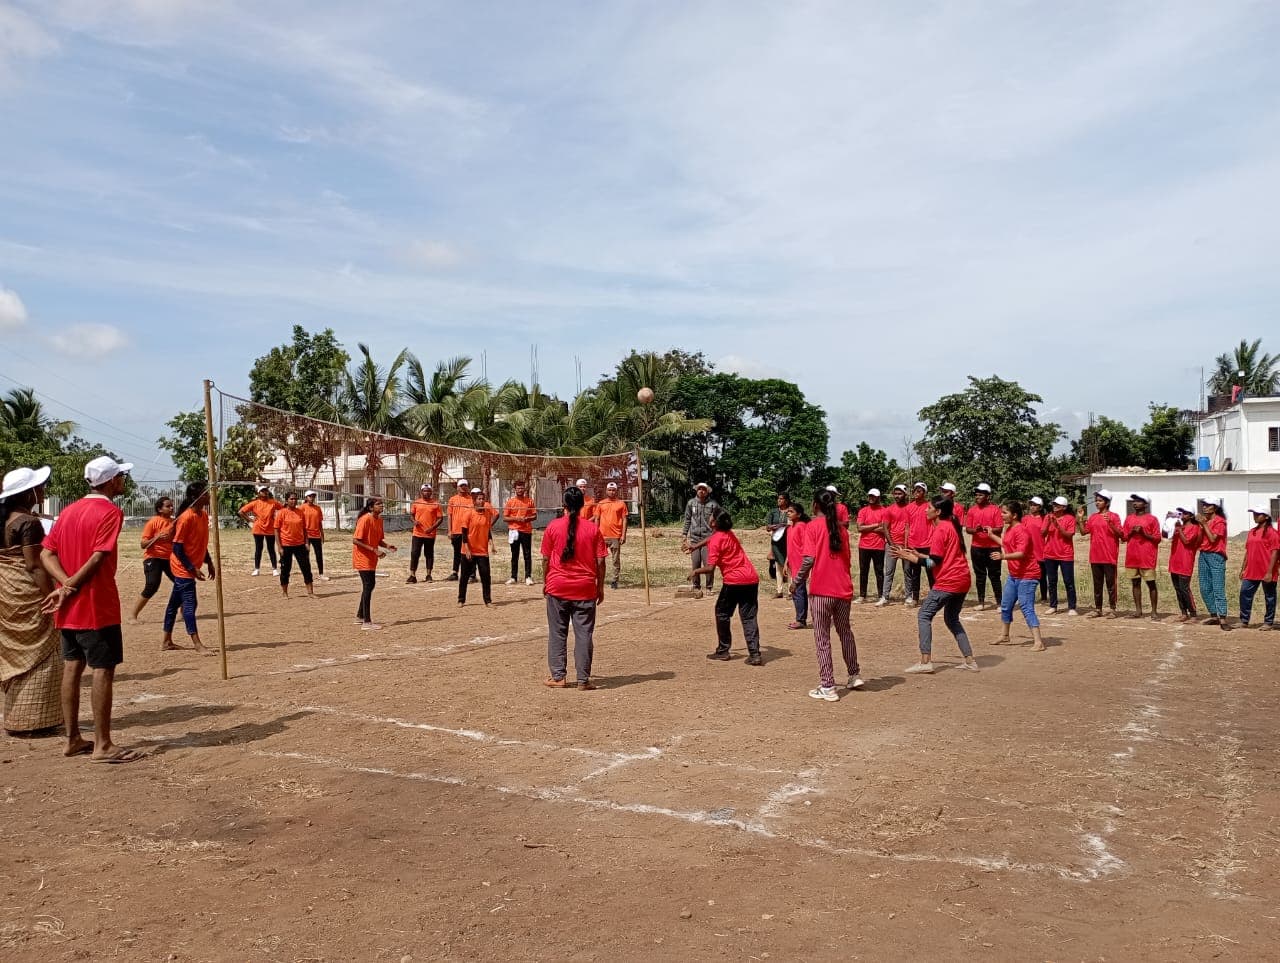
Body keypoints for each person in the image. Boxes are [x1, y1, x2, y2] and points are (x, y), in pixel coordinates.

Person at [40, 455, 141, 762]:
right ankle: (103, 744)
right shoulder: (109, 511)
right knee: (102, 669)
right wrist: (70, 586)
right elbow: (98, 557)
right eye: (120, 476)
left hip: (68, 607)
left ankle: (72, 739)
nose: (123, 480)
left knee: (72, 667)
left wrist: (63, 586)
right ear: (111, 481)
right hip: (96, 604)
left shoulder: (68, 511)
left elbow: (47, 554)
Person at [0, 465, 62, 736]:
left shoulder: (7, 519)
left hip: (7, 590)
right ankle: (35, 720)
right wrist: (50, 593)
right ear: (28, 493)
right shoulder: (28, 524)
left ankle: (16, 717)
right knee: (43, 651)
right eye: (39, 486)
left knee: (17, 650)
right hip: (27, 590)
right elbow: (33, 565)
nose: (43, 490)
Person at [891, 497, 980, 674]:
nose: (926, 510)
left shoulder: (941, 529)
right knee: (952, 619)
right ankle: (970, 660)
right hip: (962, 579)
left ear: (938, 512)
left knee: (924, 615)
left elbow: (934, 563)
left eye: (929, 508)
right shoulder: (950, 527)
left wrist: (909, 557)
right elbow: (942, 557)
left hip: (949, 581)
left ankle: (925, 661)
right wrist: (920, 555)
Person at [793, 489, 862, 701]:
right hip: (842, 589)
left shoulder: (812, 527)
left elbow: (808, 560)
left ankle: (828, 685)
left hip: (821, 591)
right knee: (845, 632)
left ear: (815, 505)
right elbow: (848, 561)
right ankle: (854, 674)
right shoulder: (841, 530)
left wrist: (796, 582)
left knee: (822, 638)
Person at [541, 486, 607, 690]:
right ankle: (583, 680)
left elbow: (545, 559)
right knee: (584, 634)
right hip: (585, 589)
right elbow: (601, 562)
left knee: (557, 633)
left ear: (564, 505)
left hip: (557, 587)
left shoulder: (552, 527)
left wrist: (546, 582)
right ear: (582, 506)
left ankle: (558, 676)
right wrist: (600, 586)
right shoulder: (592, 529)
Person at [690, 512, 764, 666]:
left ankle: (723, 650)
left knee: (722, 612)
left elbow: (710, 568)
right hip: (751, 578)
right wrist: (696, 546)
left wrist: (695, 571)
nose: (709, 517)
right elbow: (713, 538)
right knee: (749, 617)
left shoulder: (717, 539)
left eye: (711, 516)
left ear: (713, 523)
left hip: (734, 581)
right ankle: (755, 654)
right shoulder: (728, 533)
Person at [162, 482, 216, 653]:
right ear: (196, 497)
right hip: (181, 566)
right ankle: (197, 644)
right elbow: (177, 547)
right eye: (205, 494)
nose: (209, 496)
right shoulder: (186, 517)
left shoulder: (203, 515)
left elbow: (201, 541)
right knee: (190, 604)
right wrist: (192, 568)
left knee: (174, 604)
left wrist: (209, 561)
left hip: (191, 565)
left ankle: (166, 641)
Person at [992, 501, 1045, 651]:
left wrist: (1003, 557)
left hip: (1028, 575)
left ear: (1014, 515)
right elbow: (1006, 543)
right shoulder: (1010, 529)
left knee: (1026, 606)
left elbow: (1021, 553)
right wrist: (991, 535)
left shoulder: (1021, 530)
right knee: (1006, 605)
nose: (1002, 515)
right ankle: (1005, 635)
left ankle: (1038, 642)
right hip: (1015, 575)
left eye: (1005, 513)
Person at [353, 498, 396, 630]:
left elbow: (377, 539)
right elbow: (355, 540)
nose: (381, 505)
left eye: (381, 504)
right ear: (371, 507)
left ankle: (360, 616)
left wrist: (387, 546)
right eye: (378, 504)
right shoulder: (365, 519)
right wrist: (374, 550)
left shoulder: (379, 520)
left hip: (371, 558)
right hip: (362, 557)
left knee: (369, 586)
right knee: (368, 585)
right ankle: (367, 622)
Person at [131, 496, 174, 621]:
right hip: (153, 558)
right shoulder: (153, 522)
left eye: (172, 506)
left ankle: (184, 613)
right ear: (160, 509)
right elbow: (143, 544)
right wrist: (156, 538)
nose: (171, 508)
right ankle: (133, 615)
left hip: (169, 558)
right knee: (152, 585)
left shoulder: (174, 522)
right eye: (168, 506)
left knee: (181, 583)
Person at [1084, 489, 1123, 618]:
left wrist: (1110, 523)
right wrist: (1079, 519)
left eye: (1100, 500)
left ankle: (1112, 608)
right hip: (1095, 556)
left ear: (1106, 503)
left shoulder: (1114, 516)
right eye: (1096, 500)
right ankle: (1098, 609)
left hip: (1109, 556)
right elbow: (1084, 532)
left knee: (1111, 583)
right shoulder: (1093, 517)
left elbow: (1121, 534)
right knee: (1097, 583)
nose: (1097, 503)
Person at [1122, 492, 1162, 619]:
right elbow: (1124, 537)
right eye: (1134, 501)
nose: (1135, 503)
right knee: (1135, 583)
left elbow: (1157, 538)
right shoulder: (1129, 518)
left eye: (1139, 501)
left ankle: (1154, 611)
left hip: (1147, 557)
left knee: (1151, 583)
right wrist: (1131, 532)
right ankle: (1138, 610)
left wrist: (1144, 533)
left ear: (1145, 504)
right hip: (1132, 556)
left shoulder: (1152, 519)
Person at [1239, 506, 1279, 630]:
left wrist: (1269, 572)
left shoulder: (1272, 533)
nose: (1255, 516)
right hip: (1251, 570)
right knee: (1244, 593)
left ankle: (1268, 622)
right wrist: (1243, 568)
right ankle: (1244, 621)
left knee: (1270, 596)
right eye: (1254, 514)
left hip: (1266, 570)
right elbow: (1248, 551)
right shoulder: (1252, 532)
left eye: (1258, 514)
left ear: (1266, 516)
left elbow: (1275, 552)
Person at [965, 483, 1003, 610]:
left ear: (987, 496)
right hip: (977, 547)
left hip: (993, 547)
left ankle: (999, 602)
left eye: (980, 495)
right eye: (976, 495)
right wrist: (975, 530)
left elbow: (1000, 528)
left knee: (994, 575)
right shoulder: (972, 510)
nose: (977, 497)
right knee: (980, 576)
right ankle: (981, 602)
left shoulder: (995, 509)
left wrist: (990, 530)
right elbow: (968, 529)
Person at [459, 488, 498, 606]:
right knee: (465, 576)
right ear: (474, 501)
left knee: (486, 576)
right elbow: (464, 533)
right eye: (479, 499)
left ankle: (488, 600)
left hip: (482, 551)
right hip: (468, 550)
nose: (482, 501)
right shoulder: (468, 513)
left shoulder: (487, 513)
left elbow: (487, 531)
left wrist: (492, 544)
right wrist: (467, 549)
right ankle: (461, 599)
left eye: (483, 499)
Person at [681, 482, 720, 597]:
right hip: (694, 539)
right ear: (696, 491)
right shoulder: (691, 503)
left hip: (708, 538)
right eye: (699, 489)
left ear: (707, 491)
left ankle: (709, 587)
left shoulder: (713, 505)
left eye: (704, 489)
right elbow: (687, 519)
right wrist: (684, 535)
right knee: (695, 563)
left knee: (708, 563)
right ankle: (696, 586)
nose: (701, 491)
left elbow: (717, 521)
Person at [1042, 496, 1079, 616]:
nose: (1054, 506)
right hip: (1050, 554)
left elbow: (1069, 535)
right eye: (1054, 504)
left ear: (1064, 507)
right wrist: (1048, 523)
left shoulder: (1070, 519)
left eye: (1057, 505)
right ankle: (1053, 605)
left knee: (1068, 581)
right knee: (1051, 581)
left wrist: (1057, 525)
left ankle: (1072, 606)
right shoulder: (1048, 517)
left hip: (1065, 554)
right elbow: (1042, 534)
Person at [274, 491, 314, 599]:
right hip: (286, 545)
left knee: (306, 568)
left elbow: (305, 529)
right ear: (286, 500)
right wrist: (279, 547)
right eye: (291, 499)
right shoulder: (281, 513)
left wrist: (306, 542)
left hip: (300, 545)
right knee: (285, 569)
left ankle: (310, 592)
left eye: (295, 499)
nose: (294, 501)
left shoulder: (300, 512)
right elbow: (276, 530)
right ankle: (285, 592)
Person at [1197, 497, 1230, 630]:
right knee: (1204, 587)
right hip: (1204, 554)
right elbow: (1200, 540)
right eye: (1204, 505)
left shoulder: (1220, 522)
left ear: (1215, 508)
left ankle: (1222, 617)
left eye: (1208, 505)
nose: (1204, 507)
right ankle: (1214, 614)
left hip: (1216, 555)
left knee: (1218, 587)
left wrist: (1204, 525)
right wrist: (1201, 526)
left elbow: (1212, 539)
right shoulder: (1206, 521)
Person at [877, 484, 910, 606]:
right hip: (892, 545)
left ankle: (909, 596)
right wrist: (892, 545)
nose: (897, 496)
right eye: (895, 493)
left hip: (907, 545)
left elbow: (909, 527)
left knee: (908, 571)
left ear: (905, 494)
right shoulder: (889, 509)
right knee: (889, 571)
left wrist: (906, 545)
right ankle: (885, 596)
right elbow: (885, 528)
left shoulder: (910, 508)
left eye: (900, 493)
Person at [1168, 507, 1202, 622]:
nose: (1182, 515)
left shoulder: (1195, 528)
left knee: (1184, 588)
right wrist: (1168, 521)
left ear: (1191, 516)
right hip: (1174, 561)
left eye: (1185, 513)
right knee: (1178, 589)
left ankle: (1193, 613)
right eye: (1181, 513)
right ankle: (1183, 612)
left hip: (1185, 562)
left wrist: (1179, 529)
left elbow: (1187, 541)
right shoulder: (1179, 526)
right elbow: (1165, 534)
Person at [854, 488, 887, 603]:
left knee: (879, 571)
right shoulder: (863, 511)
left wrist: (867, 527)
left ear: (878, 497)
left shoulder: (884, 511)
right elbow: (859, 528)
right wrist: (876, 525)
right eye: (870, 496)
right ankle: (862, 596)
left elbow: (885, 528)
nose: (871, 498)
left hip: (879, 546)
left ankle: (881, 595)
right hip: (864, 546)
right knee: (863, 571)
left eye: (874, 496)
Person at [501, 480, 537, 586]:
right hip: (514, 530)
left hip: (526, 531)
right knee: (514, 554)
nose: (520, 490)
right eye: (518, 488)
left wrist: (527, 518)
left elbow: (535, 516)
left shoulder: (529, 501)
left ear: (524, 489)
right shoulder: (510, 502)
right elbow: (505, 517)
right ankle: (513, 577)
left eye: (522, 488)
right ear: (515, 489)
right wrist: (516, 519)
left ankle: (528, 576)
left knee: (527, 554)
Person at [239, 485, 280, 576]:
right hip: (258, 529)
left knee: (271, 549)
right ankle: (257, 569)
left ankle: (274, 569)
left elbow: (283, 509)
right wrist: (250, 520)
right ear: (259, 493)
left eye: (266, 490)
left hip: (270, 529)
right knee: (259, 549)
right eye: (263, 491)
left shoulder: (273, 502)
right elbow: (241, 512)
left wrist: (278, 520)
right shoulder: (255, 503)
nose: (265, 492)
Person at [902, 482, 932, 607]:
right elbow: (907, 527)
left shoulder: (930, 506)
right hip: (913, 544)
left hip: (928, 543)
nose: (916, 492)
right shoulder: (909, 507)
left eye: (919, 491)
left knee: (931, 571)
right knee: (915, 573)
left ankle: (934, 597)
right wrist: (905, 545)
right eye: (915, 490)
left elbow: (935, 524)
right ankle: (915, 598)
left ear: (924, 493)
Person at [594, 482, 628, 589]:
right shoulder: (601, 503)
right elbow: (597, 519)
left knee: (615, 560)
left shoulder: (621, 504)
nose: (611, 492)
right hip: (602, 536)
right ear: (606, 490)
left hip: (615, 536)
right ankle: (598, 579)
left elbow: (624, 520)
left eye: (613, 490)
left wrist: (623, 535)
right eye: (609, 490)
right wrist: (595, 533)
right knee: (599, 559)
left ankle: (614, 580)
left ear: (616, 491)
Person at [785, 502, 813, 629]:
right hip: (793, 564)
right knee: (797, 591)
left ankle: (801, 619)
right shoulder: (790, 528)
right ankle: (800, 618)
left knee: (798, 591)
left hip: (800, 564)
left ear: (799, 514)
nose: (788, 513)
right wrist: (786, 562)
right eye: (788, 511)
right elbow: (791, 547)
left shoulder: (802, 526)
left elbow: (806, 546)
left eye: (791, 511)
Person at [407, 483, 443, 584]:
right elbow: (411, 515)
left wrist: (432, 528)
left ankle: (428, 575)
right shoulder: (416, 502)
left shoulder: (436, 504)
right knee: (414, 553)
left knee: (429, 554)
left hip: (430, 534)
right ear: (421, 492)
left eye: (428, 491)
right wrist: (414, 521)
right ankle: (412, 575)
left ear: (431, 492)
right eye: (424, 491)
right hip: (417, 533)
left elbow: (440, 518)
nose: (426, 492)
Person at [763, 493, 791, 598]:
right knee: (778, 565)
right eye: (778, 499)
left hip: (788, 540)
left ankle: (790, 591)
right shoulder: (773, 512)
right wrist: (772, 527)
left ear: (786, 500)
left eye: (781, 499)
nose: (779, 500)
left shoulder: (791, 511)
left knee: (789, 565)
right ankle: (779, 591)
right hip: (776, 541)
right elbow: (767, 527)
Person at [446, 479, 472, 581]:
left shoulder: (471, 499)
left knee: (469, 552)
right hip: (456, 530)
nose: (463, 487)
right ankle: (455, 572)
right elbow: (449, 516)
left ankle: (471, 574)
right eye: (461, 486)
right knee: (457, 552)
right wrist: (449, 530)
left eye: (465, 485)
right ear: (457, 487)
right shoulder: (452, 499)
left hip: (468, 531)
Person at [1025, 497, 1050, 604]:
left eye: (1035, 505)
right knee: (1028, 575)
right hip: (1028, 551)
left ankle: (1044, 597)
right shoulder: (1025, 518)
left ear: (1040, 507)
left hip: (1041, 550)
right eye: (1031, 504)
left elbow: (1045, 533)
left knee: (1042, 576)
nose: (1032, 507)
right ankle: (1028, 596)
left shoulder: (1044, 518)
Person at [300, 490, 328, 582]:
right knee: (305, 555)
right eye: (310, 496)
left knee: (319, 555)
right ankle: (307, 574)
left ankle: (321, 574)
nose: (312, 498)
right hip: (306, 535)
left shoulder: (317, 508)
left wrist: (322, 534)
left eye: (313, 496)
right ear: (306, 498)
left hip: (316, 535)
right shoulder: (302, 508)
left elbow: (319, 522)